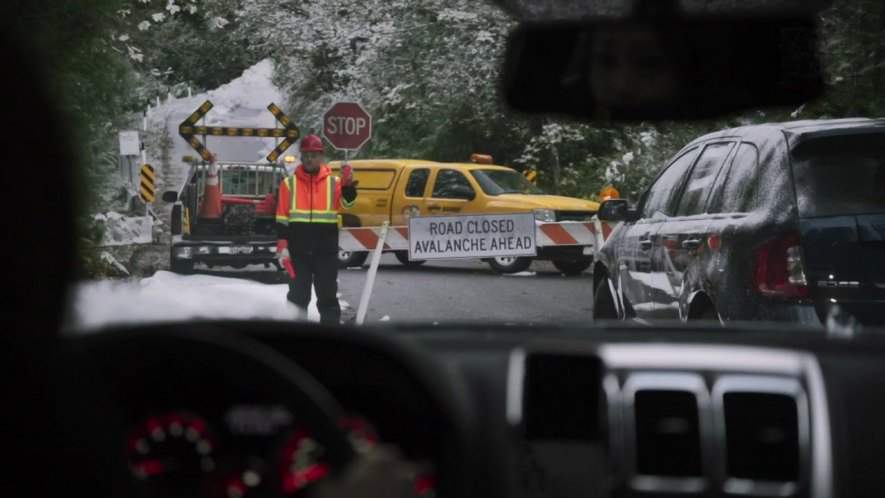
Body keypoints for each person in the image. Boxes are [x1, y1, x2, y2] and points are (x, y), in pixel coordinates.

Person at [275, 134, 357, 325]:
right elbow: (282, 217)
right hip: (298, 253)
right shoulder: (289, 184)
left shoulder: (334, 182)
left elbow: (349, 204)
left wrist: (348, 186)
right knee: (297, 297)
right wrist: (282, 244)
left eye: (314, 155)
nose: (310, 159)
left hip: (326, 253)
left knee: (328, 297)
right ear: (301, 156)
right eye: (306, 155)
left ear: (321, 156)